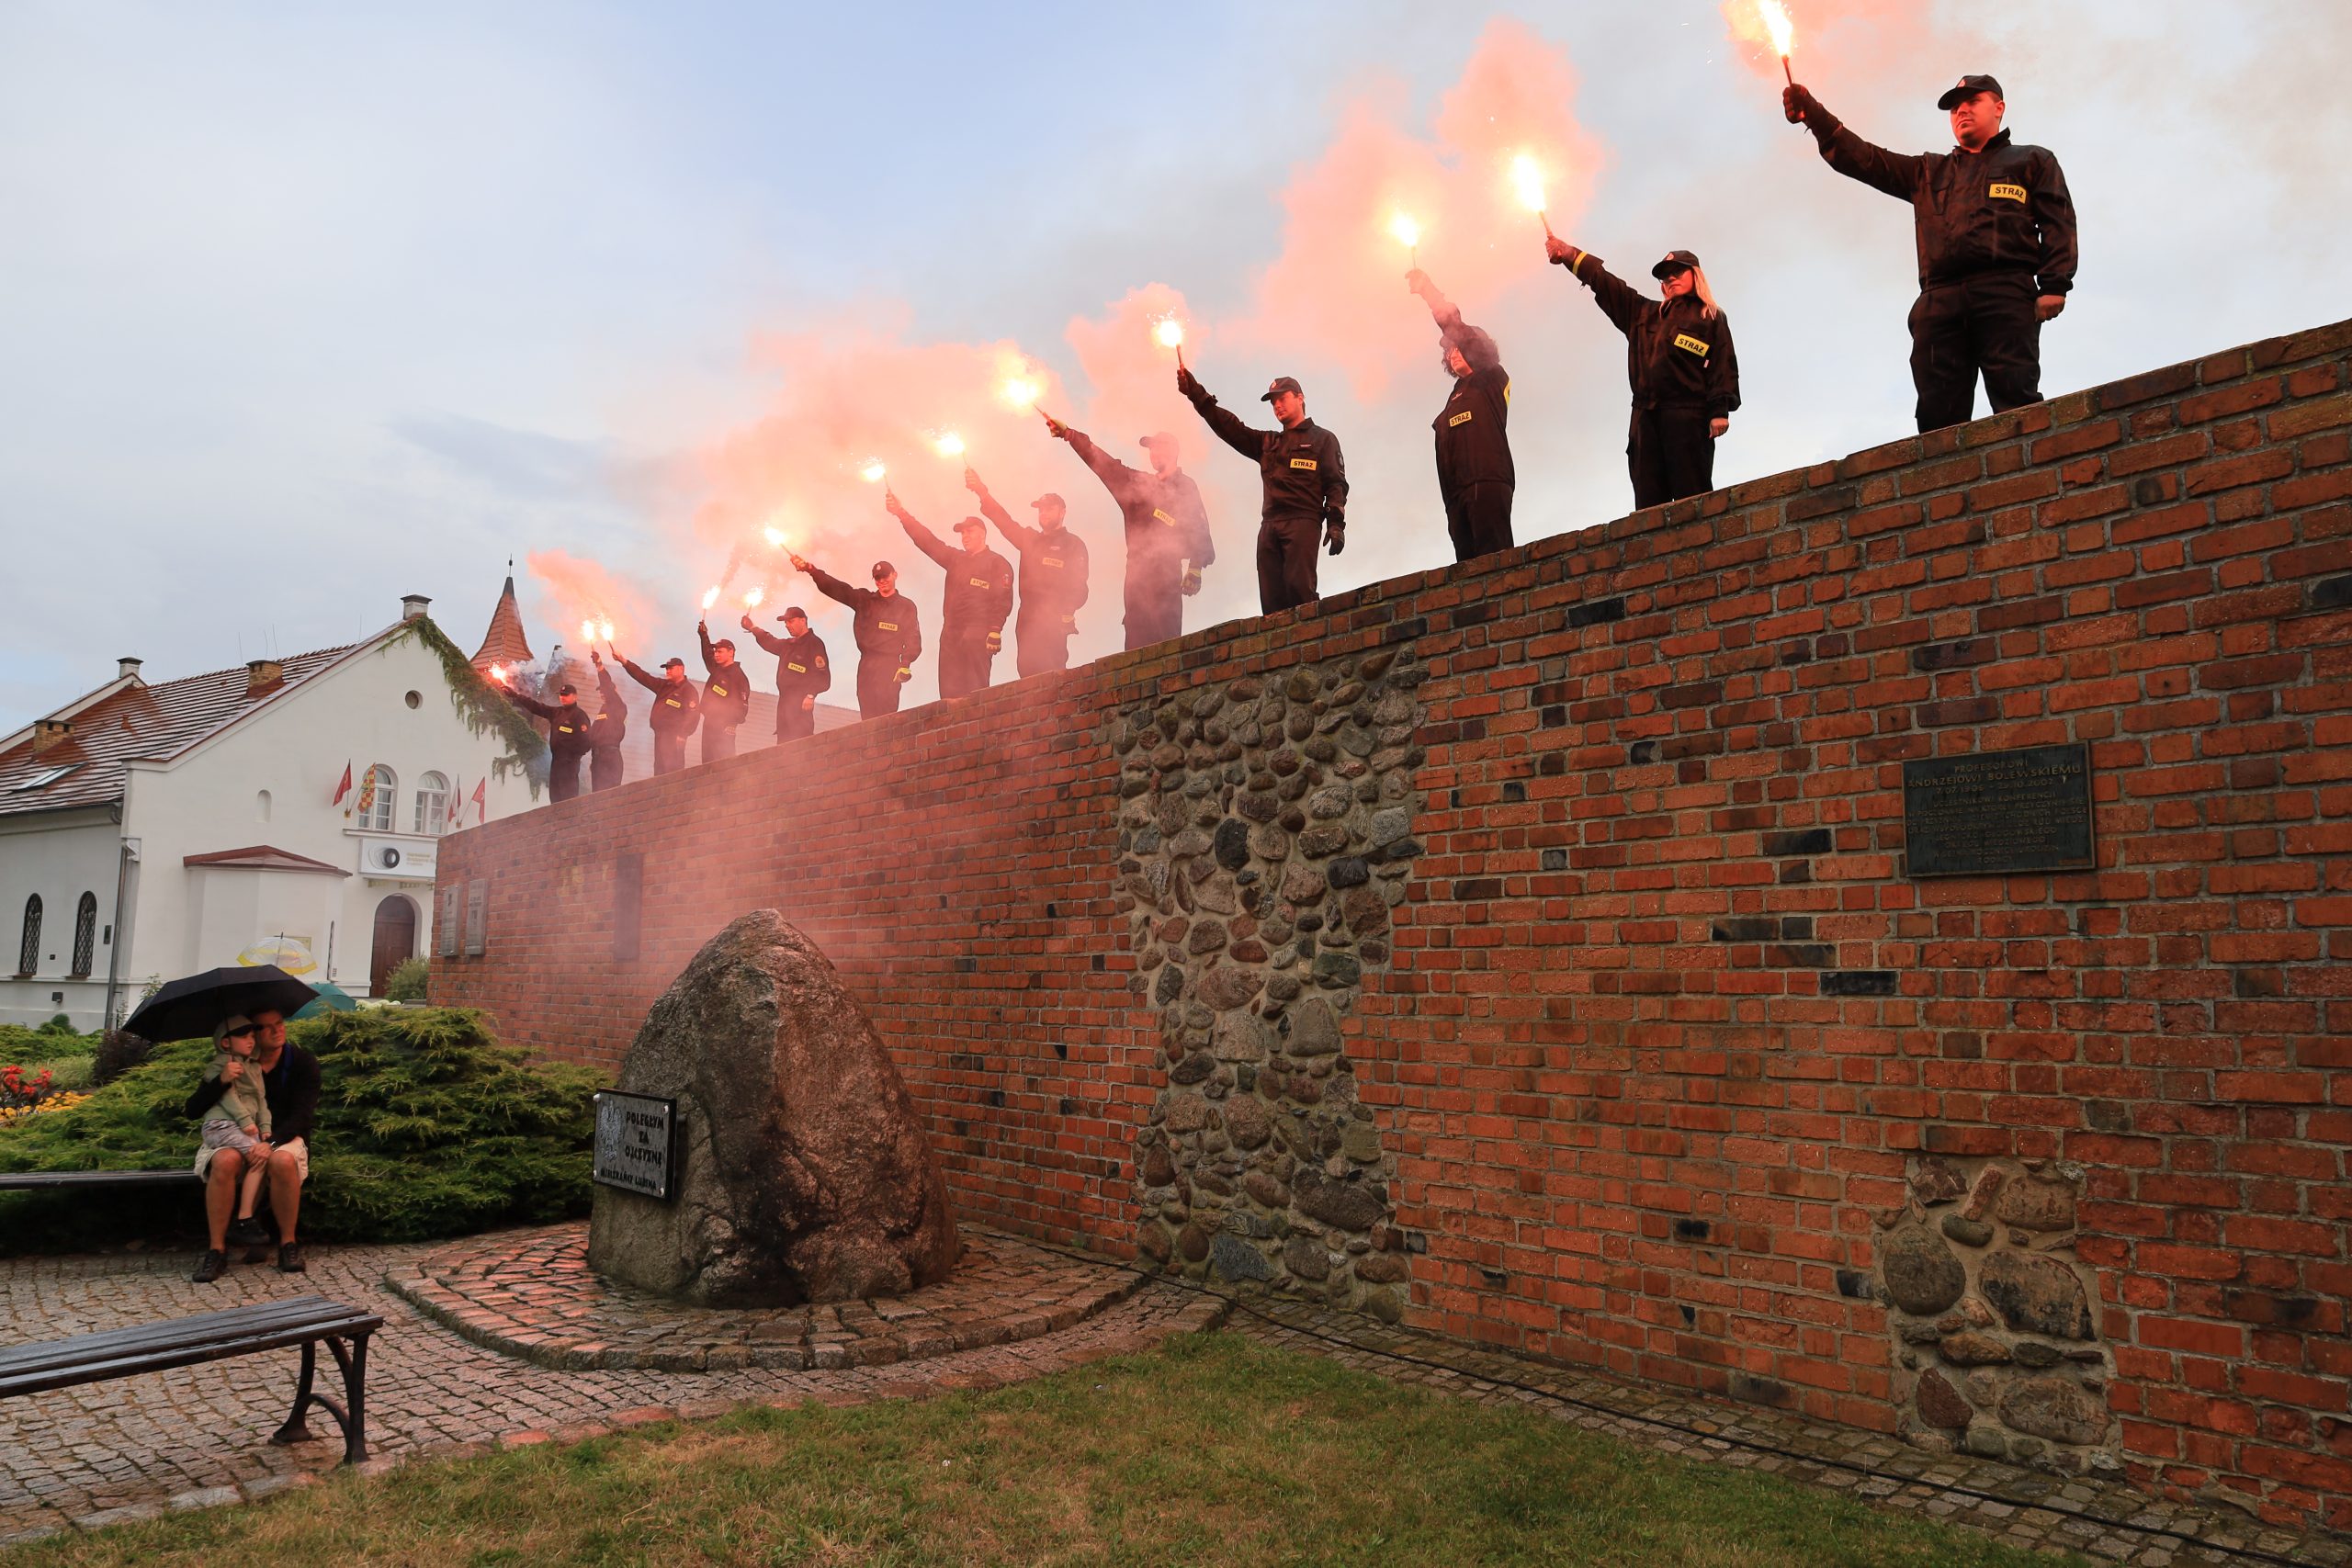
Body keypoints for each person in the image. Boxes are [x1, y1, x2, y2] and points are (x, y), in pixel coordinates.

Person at [1783, 72, 2077, 433]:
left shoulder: (2032, 160)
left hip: (2005, 292)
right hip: (1939, 303)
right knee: (1938, 416)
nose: (1961, 112)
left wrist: (2054, 284)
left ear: (1999, 108)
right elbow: (1864, 159)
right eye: (1954, 108)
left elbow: (2058, 222)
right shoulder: (1928, 171)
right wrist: (1813, 115)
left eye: (1972, 103)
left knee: (2016, 400)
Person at [1545, 241, 1742, 509]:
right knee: (1648, 506)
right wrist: (1571, 256)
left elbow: (1723, 364)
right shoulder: (1644, 314)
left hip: (1687, 418)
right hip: (1644, 421)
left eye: (1677, 271)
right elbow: (1607, 284)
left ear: (1695, 275)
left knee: (1693, 502)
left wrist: (1719, 410)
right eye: (1664, 275)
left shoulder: (1711, 317)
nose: (1670, 278)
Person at [1177, 367, 1346, 615]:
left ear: (1300, 397)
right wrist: (1196, 395)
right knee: (1272, 601)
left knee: (1299, 589)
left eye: (1282, 398)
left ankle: (1313, 645)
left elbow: (1336, 484)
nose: (1277, 405)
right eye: (1273, 402)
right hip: (1269, 527)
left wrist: (1336, 524)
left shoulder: (1323, 440)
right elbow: (1230, 428)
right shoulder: (1268, 443)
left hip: (1303, 521)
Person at [1044, 418, 1213, 650]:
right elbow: (1105, 464)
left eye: (1159, 447)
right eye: (1151, 448)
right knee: (1135, 646)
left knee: (1167, 647)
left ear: (1174, 451)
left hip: (1166, 580)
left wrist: (1195, 567)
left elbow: (1199, 528)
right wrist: (1070, 435)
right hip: (1136, 581)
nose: (1154, 453)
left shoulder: (1186, 487)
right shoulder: (1138, 486)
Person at [184, 1005, 318, 1280]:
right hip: (235, 1135)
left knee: (281, 1159)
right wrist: (221, 1082)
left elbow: (302, 1116)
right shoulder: (231, 1062)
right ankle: (217, 1251)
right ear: (252, 1034)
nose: (276, 1030)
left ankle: (288, 1244)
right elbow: (193, 1110)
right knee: (225, 1159)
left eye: (279, 1023)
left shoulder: (301, 1063)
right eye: (265, 1027)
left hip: (282, 1137)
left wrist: (270, 1142)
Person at [1406, 269, 1515, 560]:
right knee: (1467, 571)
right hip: (1456, 495)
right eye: (1449, 350)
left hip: (1487, 483)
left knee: (1496, 564)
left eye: (1458, 347)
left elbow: (1459, 330)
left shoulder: (1491, 379)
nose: (1452, 352)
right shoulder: (1453, 397)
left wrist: (1429, 292)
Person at [885, 491, 1012, 699]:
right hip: (951, 635)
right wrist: (901, 513)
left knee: (976, 694)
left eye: (969, 531)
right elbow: (927, 541)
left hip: (978, 634)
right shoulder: (956, 559)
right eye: (962, 533)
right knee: (949, 697)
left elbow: (1003, 600)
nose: (965, 536)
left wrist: (996, 629)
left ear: (982, 533)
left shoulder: (997, 563)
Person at [967, 470, 1090, 677]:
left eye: (1049, 509)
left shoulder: (1074, 545)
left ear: (1062, 512)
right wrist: (982, 492)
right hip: (1027, 619)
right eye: (1041, 509)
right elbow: (1004, 521)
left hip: (1054, 619)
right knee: (1026, 673)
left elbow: (1080, 586)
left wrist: (1067, 610)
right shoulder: (1029, 539)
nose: (1044, 513)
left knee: (1053, 675)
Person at [793, 553, 923, 718]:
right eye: (877, 578)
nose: (881, 581)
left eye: (885, 576)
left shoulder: (906, 606)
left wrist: (905, 664)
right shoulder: (864, 600)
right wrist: (811, 570)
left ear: (895, 575)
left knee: (886, 718)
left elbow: (913, 638)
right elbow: (837, 588)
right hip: (867, 665)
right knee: (867, 717)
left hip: (890, 667)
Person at [192, 1016, 271, 1261]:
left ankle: (246, 1218)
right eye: (244, 1036)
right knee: (255, 1156)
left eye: (252, 1036)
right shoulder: (220, 1064)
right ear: (226, 1043)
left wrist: (265, 1126)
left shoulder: (254, 1067)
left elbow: (261, 1099)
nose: (251, 1040)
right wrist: (222, 1080)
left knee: (262, 1157)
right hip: (223, 1125)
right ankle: (239, 1224)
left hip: (247, 1127)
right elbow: (213, 1101)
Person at [493, 672, 595, 802]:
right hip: (556, 762)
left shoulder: (580, 716)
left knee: (568, 798)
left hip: (569, 764)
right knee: (555, 797)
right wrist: (515, 695)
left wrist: (571, 755)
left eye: (566, 695)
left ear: (575, 696)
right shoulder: (557, 713)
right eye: (561, 695)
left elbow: (586, 743)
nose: (562, 698)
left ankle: (571, 821)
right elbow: (537, 707)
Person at [741, 604, 831, 740]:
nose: (787, 625)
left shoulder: (814, 643)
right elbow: (770, 641)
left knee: (801, 743)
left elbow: (823, 677)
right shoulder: (789, 645)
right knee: (783, 746)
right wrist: (753, 628)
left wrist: (811, 694)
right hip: (784, 703)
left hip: (801, 704)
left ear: (803, 620)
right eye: (785, 623)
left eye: (791, 621)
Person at [616, 651, 701, 774]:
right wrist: (624, 662)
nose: (668, 671)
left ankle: (674, 793)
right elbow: (643, 677)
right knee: (660, 768)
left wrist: (683, 735)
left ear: (681, 669)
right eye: (666, 668)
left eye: (671, 668)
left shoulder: (689, 690)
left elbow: (693, 715)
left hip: (674, 736)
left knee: (672, 769)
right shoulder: (664, 686)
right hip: (660, 734)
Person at [695, 622, 754, 763]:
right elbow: (707, 654)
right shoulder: (716, 669)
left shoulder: (739, 677)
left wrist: (732, 724)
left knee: (724, 762)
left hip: (725, 727)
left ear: (731, 652)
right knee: (707, 762)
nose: (716, 654)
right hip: (710, 723)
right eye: (715, 651)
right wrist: (704, 635)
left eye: (720, 651)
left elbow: (742, 706)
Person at [587, 649, 628, 791]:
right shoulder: (602, 711)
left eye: (605, 691)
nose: (602, 694)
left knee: (609, 795)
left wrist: (599, 665)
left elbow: (607, 684)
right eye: (600, 691)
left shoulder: (618, 706)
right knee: (596, 796)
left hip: (610, 757)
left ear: (613, 691)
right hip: (598, 758)